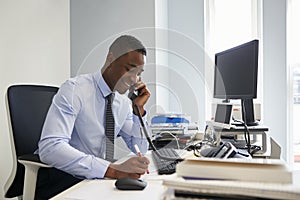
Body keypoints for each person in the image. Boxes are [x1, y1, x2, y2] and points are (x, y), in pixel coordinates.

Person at [36, 35, 150, 199]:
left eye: (139, 73)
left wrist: (139, 111)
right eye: (130, 69)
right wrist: (112, 170)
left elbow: (139, 147)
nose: (134, 79)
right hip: (65, 179)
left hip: (99, 179)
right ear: (111, 58)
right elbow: (50, 148)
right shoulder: (75, 90)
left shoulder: (123, 103)